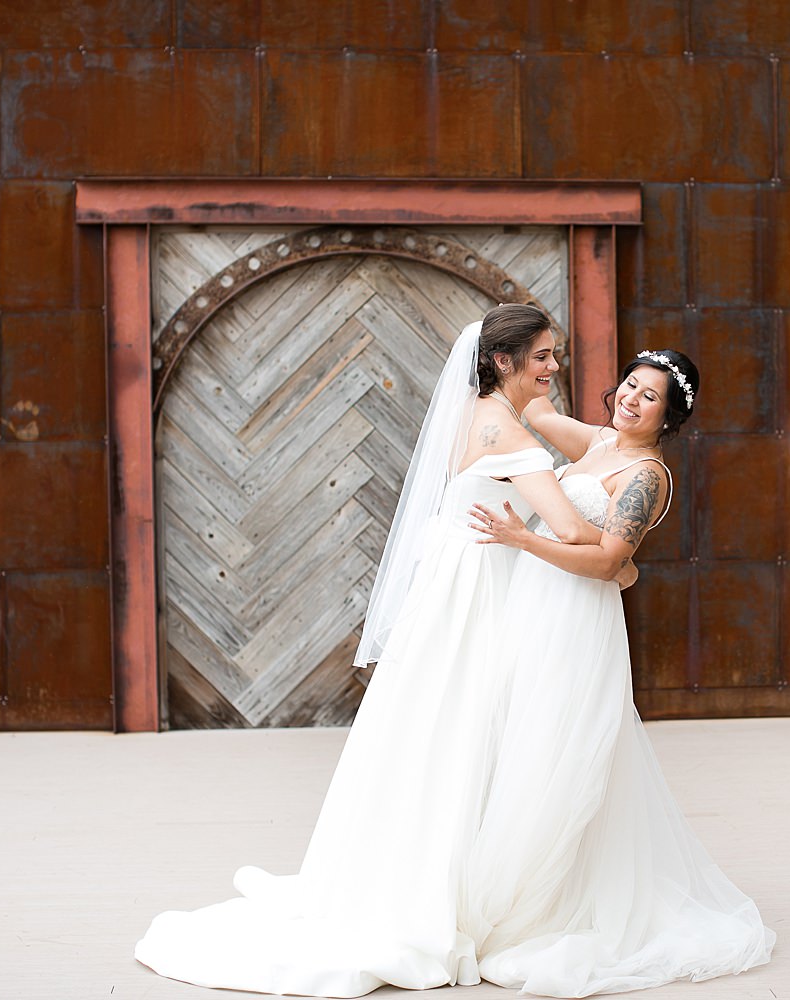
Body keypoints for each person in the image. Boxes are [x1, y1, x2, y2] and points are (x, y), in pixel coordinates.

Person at [135, 304, 619, 997]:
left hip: (448, 588)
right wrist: (612, 538)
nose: (553, 366)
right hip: (478, 592)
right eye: (542, 355)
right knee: (469, 727)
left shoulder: (470, 413)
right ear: (504, 361)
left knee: (431, 728)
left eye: (555, 353)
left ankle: (422, 868)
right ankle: (453, 885)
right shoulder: (507, 434)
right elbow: (572, 530)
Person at [465, 349, 776, 996]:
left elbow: (609, 563)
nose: (632, 400)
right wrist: (522, 353)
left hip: (576, 618)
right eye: (630, 386)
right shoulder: (600, 440)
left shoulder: (647, 475)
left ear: (671, 416)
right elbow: (539, 411)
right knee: (515, 735)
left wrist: (523, 540)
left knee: (557, 745)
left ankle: (539, 898)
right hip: (534, 605)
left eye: (650, 397)